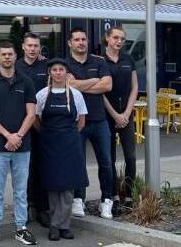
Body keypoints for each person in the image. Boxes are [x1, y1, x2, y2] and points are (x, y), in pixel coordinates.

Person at [0, 41, 37, 245]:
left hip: (22, 145)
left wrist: (18, 136)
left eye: (10, 54)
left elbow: (31, 114)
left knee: (21, 189)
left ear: (15, 56)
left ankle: (21, 227)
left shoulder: (26, 81)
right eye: (3, 54)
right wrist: (8, 136)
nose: (7, 57)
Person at [35, 58, 88, 242]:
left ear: (67, 72)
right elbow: (35, 118)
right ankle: (56, 225)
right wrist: (48, 133)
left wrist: (68, 135)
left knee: (67, 186)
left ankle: (61, 226)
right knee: (53, 185)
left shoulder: (76, 94)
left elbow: (81, 120)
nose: (58, 73)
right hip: (49, 144)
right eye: (55, 70)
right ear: (50, 73)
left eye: (61, 69)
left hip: (70, 144)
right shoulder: (42, 94)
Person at [64, 27, 115, 219]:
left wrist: (81, 84)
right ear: (70, 43)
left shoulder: (99, 62)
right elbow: (68, 86)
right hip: (76, 122)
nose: (81, 42)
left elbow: (107, 85)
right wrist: (94, 81)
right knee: (78, 162)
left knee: (106, 163)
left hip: (100, 121)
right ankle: (78, 200)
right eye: (76, 40)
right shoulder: (65, 64)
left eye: (83, 39)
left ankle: (106, 201)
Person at [101, 26, 138, 207]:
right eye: (116, 37)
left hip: (126, 114)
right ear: (107, 38)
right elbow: (101, 92)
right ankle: (114, 195)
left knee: (130, 156)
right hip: (108, 116)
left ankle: (130, 195)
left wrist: (126, 113)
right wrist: (115, 115)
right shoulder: (100, 61)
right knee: (110, 158)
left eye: (122, 39)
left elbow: (135, 88)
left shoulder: (128, 59)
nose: (119, 41)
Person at [16, 33, 49, 226]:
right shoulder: (15, 66)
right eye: (29, 45)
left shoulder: (46, 67)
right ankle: (28, 206)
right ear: (23, 47)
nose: (33, 49)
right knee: (24, 169)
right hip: (20, 124)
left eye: (36, 46)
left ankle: (42, 207)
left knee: (41, 166)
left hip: (41, 125)